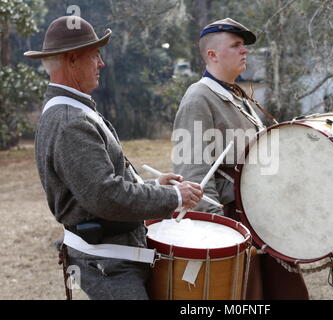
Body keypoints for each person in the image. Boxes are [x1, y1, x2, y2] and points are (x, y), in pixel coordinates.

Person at [24, 16, 203, 300]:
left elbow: (100, 183)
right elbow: (105, 196)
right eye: (94, 55)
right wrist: (174, 198)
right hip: (106, 263)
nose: (101, 63)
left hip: (112, 257)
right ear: (72, 61)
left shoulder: (73, 111)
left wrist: (156, 188)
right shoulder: (70, 121)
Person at [172, 18, 309, 300]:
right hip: (234, 222)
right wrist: (221, 236)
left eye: (243, 46)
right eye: (235, 46)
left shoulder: (239, 96)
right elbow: (194, 176)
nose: (244, 51)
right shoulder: (199, 97)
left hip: (261, 219)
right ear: (212, 55)